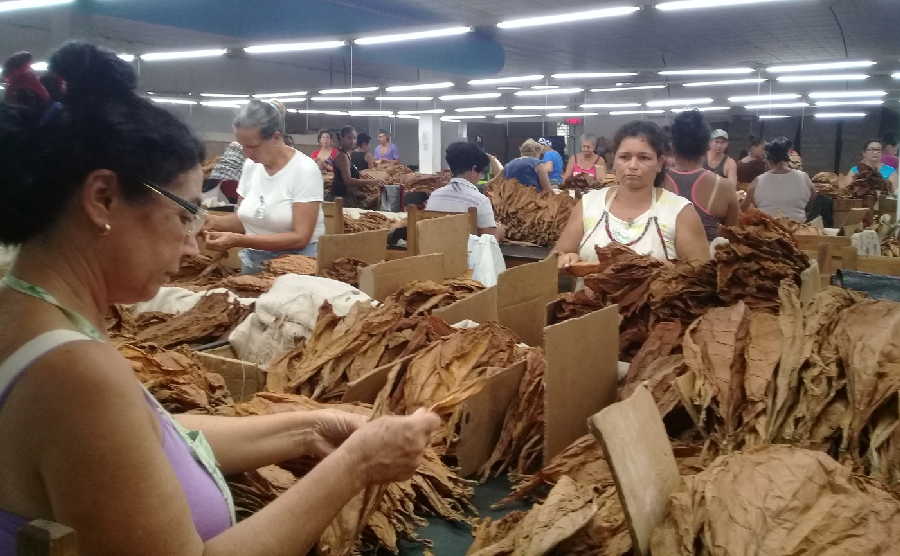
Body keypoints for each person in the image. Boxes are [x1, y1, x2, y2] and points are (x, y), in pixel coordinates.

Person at [0, 41, 439, 555]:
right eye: (184, 214)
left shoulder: (28, 316)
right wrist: (358, 465)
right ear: (102, 199)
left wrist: (308, 428)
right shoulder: (73, 374)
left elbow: (150, 436)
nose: (193, 241)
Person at [552, 120, 710, 269]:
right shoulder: (589, 204)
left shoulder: (679, 212)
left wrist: (667, 270)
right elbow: (556, 257)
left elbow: (701, 277)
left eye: (644, 158)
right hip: (587, 298)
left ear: (660, 163)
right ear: (614, 161)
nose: (633, 165)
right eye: (624, 157)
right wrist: (566, 258)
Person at [204, 99, 325, 272]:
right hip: (254, 260)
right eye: (243, 146)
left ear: (276, 137)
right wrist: (211, 221)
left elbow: (300, 237)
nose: (247, 153)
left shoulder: (304, 170)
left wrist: (238, 240)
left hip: (296, 265)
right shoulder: (251, 165)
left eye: (252, 146)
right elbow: (245, 220)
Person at [664, 110, 739, 241]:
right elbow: (732, 237)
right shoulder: (725, 188)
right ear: (706, 146)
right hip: (708, 260)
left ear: (673, 146)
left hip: (663, 261)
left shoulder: (655, 183)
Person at [425, 141, 502, 238]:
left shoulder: (434, 196)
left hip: (433, 252)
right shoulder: (479, 201)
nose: (481, 177)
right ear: (474, 169)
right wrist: (500, 231)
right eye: (482, 172)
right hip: (466, 253)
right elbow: (489, 242)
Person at [744, 136, 816, 222]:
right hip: (798, 230)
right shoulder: (804, 178)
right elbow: (812, 200)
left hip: (768, 230)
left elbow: (745, 207)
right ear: (788, 157)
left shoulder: (757, 181)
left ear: (768, 159)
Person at [332, 126, 381, 208]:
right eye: (349, 138)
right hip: (342, 200)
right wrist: (372, 182)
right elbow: (348, 181)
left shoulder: (347, 154)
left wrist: (358, 192)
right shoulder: (342, 156)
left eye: (354, 138)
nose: (352, 141)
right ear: (342, 138)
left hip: (348, 197)